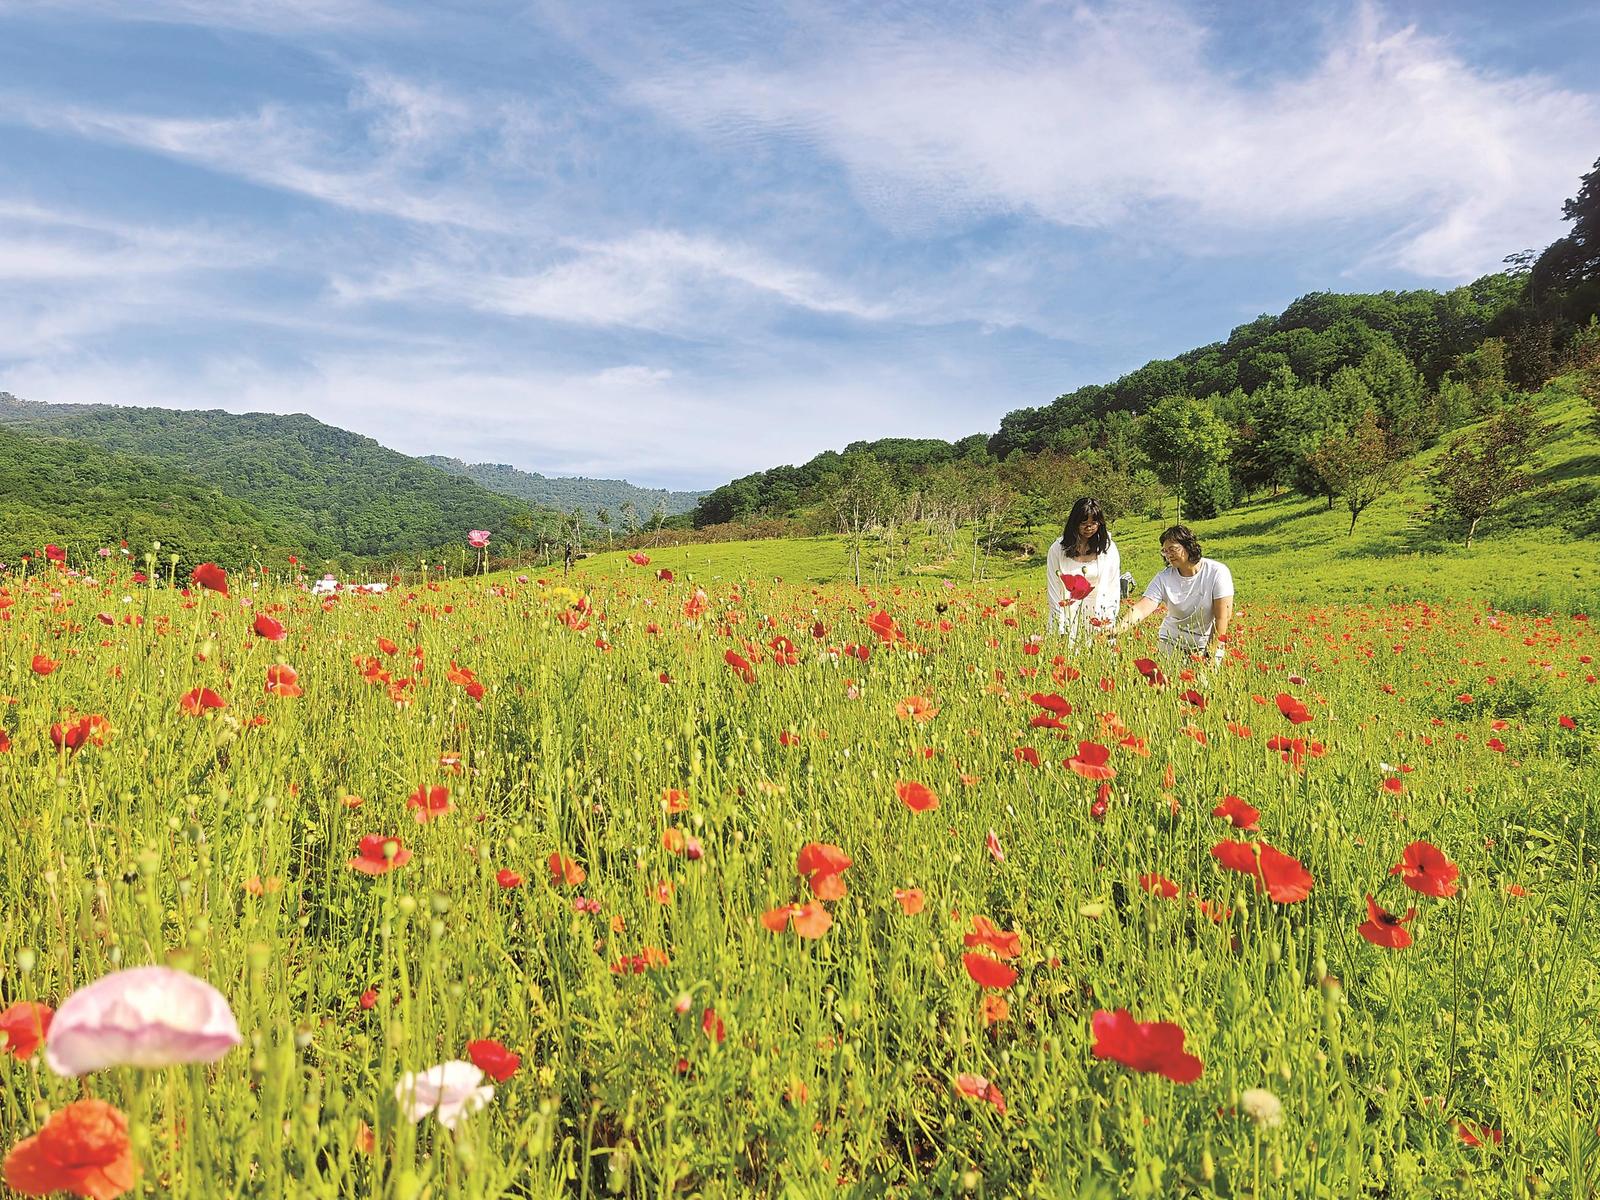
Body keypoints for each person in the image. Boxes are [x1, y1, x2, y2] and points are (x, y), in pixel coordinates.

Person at [1112, 525, 1233, 664]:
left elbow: (1223, 617)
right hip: (1171, 641)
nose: (1168, 555)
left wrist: (1211, 652)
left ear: (1188, 546)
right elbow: (1142, 608)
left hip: (1205, 643)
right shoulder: (1164, 577)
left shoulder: (1217, 572)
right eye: (1165, 551)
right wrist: (1119, 628)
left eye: (1172, 549)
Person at [1046, 497, 1121, 643]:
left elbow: (1113, 588)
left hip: (1098, 614)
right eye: (1084, 523)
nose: (1089, 528)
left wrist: (1107, 622)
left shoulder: (1108, 548)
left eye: (1094, 523)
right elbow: (1054, 591)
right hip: (1067, 614)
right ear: (1074, 523)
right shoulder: (1057, 550)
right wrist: (1060, 628)